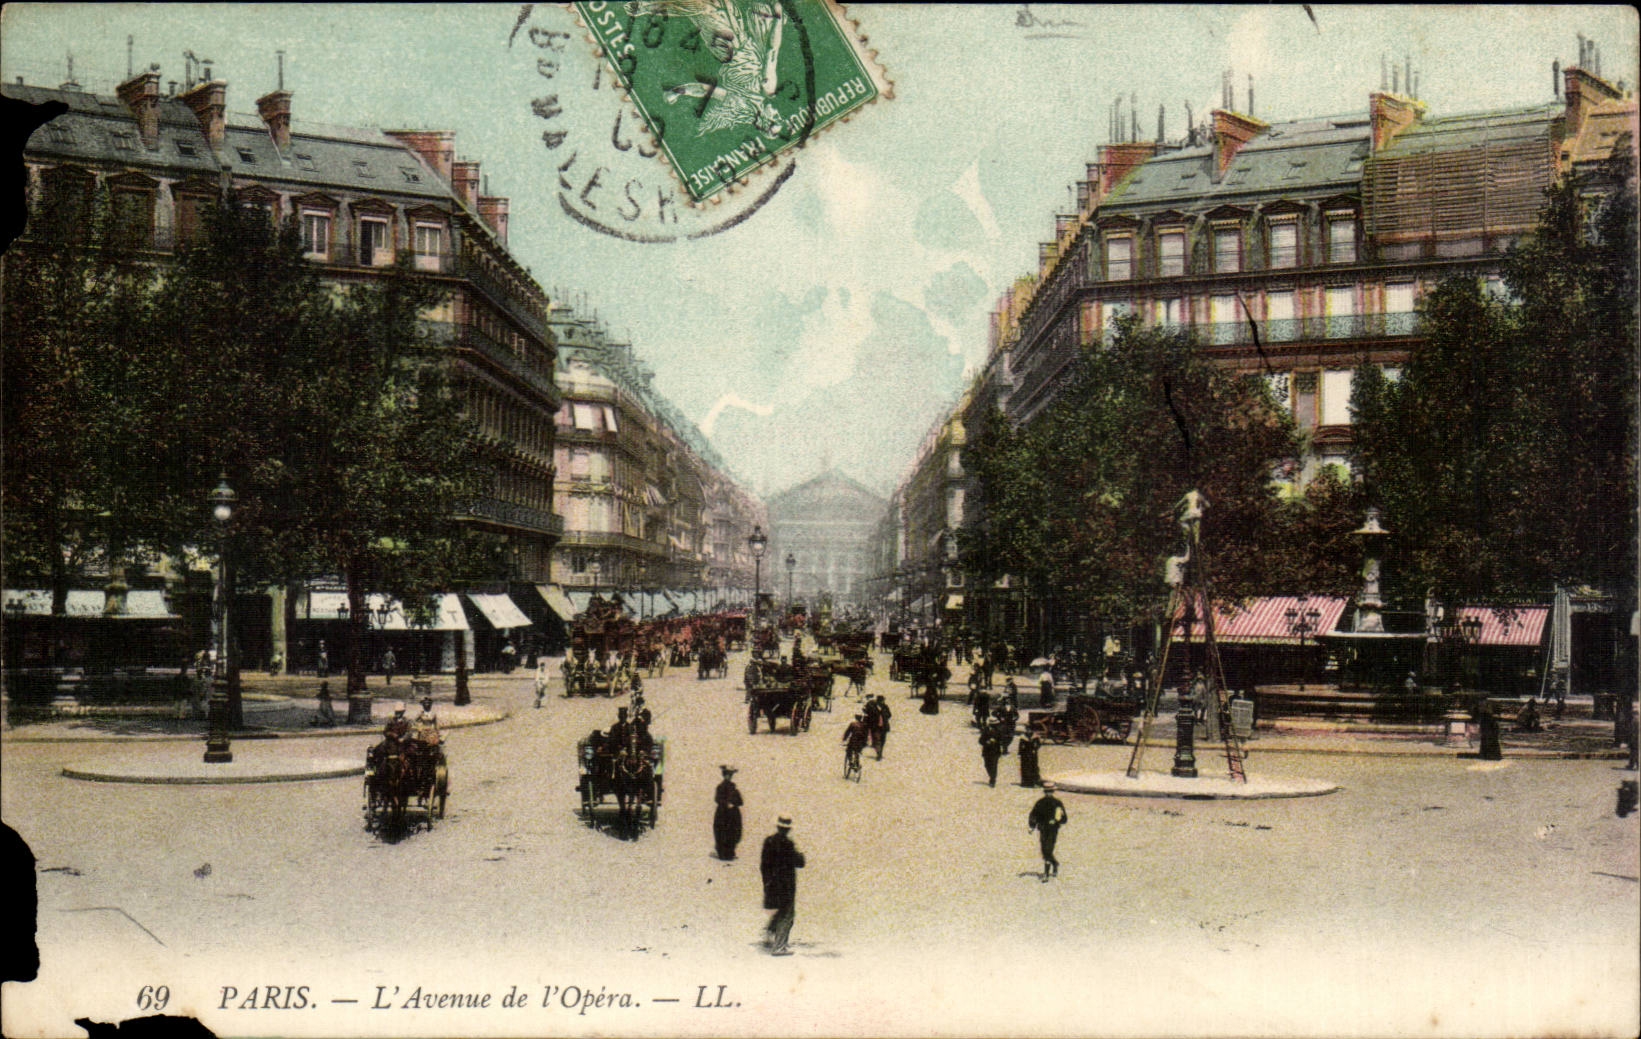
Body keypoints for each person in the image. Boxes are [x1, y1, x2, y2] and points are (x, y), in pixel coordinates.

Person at [760, 815, 805, 955]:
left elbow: (763, 865)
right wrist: (800, 851)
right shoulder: (788, 844)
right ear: (788, 829)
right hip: (786, 886)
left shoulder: (769, 841)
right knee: (787, 915)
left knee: (780, 911)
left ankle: (769, 933)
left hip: (772, 884)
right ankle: (779, 947)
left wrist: (767, 883)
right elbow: (800, 862)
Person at [1028, 780, 1069, 880]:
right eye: (1047, 792)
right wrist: (1032, 826)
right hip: (1043, 828)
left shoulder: (1057, 803)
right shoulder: (1040, 803)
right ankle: (1054, 863)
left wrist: (1056, 821)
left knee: (1048, 849)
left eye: (1050, 792)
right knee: (1044, 850)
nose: (1048, 794)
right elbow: (1034, 815)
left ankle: (1046, 873)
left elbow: (1064, 819)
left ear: (1053, 792)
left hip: (1052, 830)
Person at [714, 766, 744, 861]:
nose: (729, 777)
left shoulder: (734, 788)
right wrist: (726, 804)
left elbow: (740, 801)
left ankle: (730, 852)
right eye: (727, 775)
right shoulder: (720, 787)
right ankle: (722, 852)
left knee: (733, 832)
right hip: (723, 814)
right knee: (722, 832)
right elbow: (717, 799)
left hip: (732, 815)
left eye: (730, 775)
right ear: (724, 775)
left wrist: (733, 803)